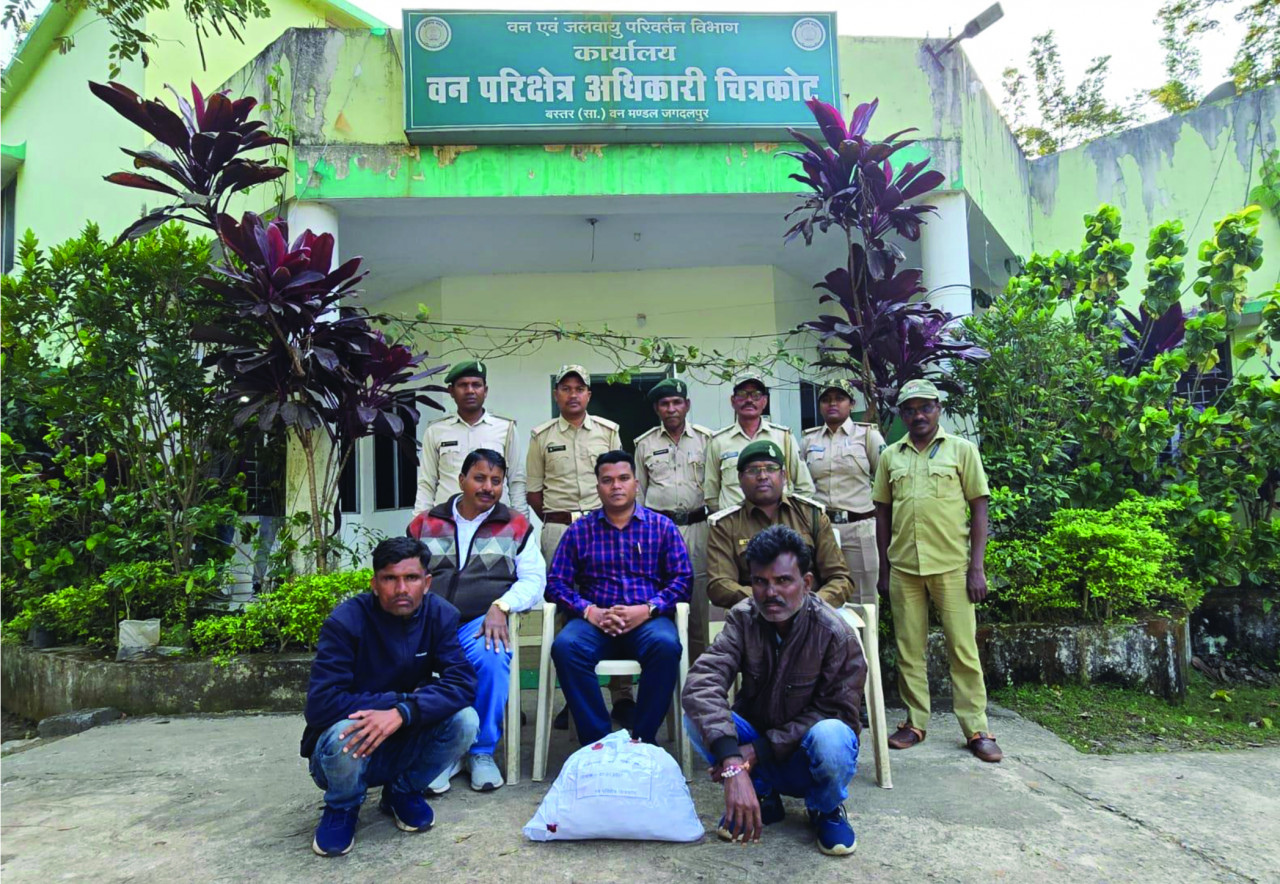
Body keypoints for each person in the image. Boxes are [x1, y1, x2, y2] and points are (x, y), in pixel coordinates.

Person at [682, 525, 866, 857]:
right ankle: (763, 796)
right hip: (755, 750)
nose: (771, 593)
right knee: (695, 716)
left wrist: (759, 750)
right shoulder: (743, 618)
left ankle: (826, 808)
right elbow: (702, 683)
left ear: (806, 583)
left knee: (832, 736)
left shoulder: (834, 632)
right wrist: (732, 762)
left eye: (783, 580)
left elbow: (838, 712)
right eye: (760, 582)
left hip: (804, 755)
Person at [301, 537, 478, 858]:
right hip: (344, 752)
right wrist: (396, 703)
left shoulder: (441, 616)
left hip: (402, 738)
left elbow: (463, 685)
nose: (401, 589)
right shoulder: (344, 623)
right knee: (345, 729)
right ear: (374, 583)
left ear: (426, 583)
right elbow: (320, 705)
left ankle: (402, 791)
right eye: (390, 578)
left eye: (411, 578)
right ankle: (342, 806)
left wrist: (403, 713)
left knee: (465, 720)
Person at [872, 378, 1001, 763]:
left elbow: (980, 508)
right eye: (910, 409)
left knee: (963, 649)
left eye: (925, 407)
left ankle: (976, 728)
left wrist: (976, 568)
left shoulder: (962, 451)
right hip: (904, 568)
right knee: (909, 649)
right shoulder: (890, 456)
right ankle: (915, 722)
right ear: (902, 415)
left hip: (952, 568)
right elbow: (882, 513)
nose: (918, 415)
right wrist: (884, 568)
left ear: (938, 409)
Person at [407, 448, 546, 794]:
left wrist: (502, 605)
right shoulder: (425, 523)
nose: (488, 487)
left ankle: (481, 751)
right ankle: (443, 753)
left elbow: (533, 579)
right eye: (480, 478)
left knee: (492, 655)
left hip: (479, 623)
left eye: (496, 481)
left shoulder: (516, 525)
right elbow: (404, 573)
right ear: (462, 480)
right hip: (427, 624)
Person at [546, 450, 693, 746]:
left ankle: (642, 740)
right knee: (565, 646)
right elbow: (555, 584)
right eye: (607, 480)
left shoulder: (661, 527)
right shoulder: (579, 531)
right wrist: (589, 611)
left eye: (623, 479)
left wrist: (648, 609)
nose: (616, 486)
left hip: (647, 620)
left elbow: (682, 579)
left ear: (636, 484)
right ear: (597, 486)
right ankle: (599, 741)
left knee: (666, 646)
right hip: (594, 621)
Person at [526, 364, 627, 726]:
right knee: (565, 609)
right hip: (559, 526)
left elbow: (620, 479)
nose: (572, 394)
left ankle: (622, 695)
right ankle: (575, 697)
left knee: (615, 597)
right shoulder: (540, 436)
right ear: (557, 395)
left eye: (578, 388)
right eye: (565, 388)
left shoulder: (608, 432)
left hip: (606, 526)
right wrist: (563, 519)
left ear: (588, 394)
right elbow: (533, 491)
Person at [707, 439, 854, 610]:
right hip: (753, 616)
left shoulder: (811, 516)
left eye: (771, 469)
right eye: (753, 470)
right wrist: (769, 600)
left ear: (783, 476)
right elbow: (719, 585)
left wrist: (810, 604)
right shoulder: (725, 525)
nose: (762, 476)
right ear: (740, 479)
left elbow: (840, 578)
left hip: (812, 615)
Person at [634, 378, 714, 660]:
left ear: (687, 405)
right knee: (659, 602)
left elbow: (714, 488)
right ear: (657, 408)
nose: (671, 409)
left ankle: (699, 680)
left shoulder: (707, 440)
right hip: (659, 533)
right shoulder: (644, 444)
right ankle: (665, 685)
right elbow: (639, 495)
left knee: (698, 609)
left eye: (677, 402)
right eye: (665, 404)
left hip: (698, 528)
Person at [802, 380, 886, 605]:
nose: (832, 404)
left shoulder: (867, 436)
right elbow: (800, 485)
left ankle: (866, 642)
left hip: (859, 528)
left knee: (863, 599)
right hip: (822, 530)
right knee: (822, 598)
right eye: (826, 399)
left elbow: (886, 482)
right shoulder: (809, 440)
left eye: (839, 399)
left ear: (851, 403)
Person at [414, 359, 526, 516]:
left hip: (494, 521)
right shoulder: (436, 431)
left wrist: (521, 522)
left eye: (476, 385)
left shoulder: (506, 429)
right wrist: (420, 523)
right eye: (463, 385)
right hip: (447, 520)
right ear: (451, 391)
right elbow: (427, 483)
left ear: (485, 390)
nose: (470, 390)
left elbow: (516, 481)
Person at [703, 373, 815, 512]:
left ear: (764, 401)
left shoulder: (783, 437)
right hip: (736, 528)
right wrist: (728, 522)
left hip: (777, 526)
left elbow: (805, 487)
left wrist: (789, 518)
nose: (749, 400)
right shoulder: (718, 441)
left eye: (756, 395)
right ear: (733, 401)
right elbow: (711, 494)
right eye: (743, 394)